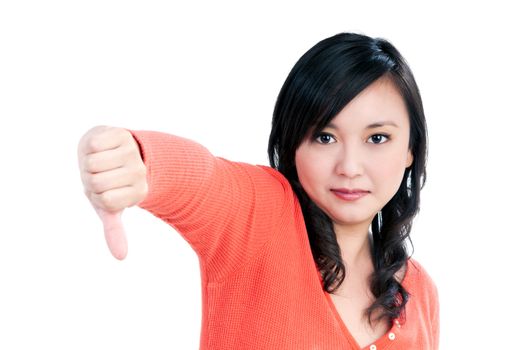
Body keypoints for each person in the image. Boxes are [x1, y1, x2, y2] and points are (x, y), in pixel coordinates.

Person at [77, 32, 439, 349]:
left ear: (410, 148)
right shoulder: (263, 217)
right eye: (324, 137)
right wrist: (137, 159)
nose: (349, 166)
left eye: (377, 138)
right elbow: (206, 180)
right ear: (293, 144)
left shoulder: (420, 293)